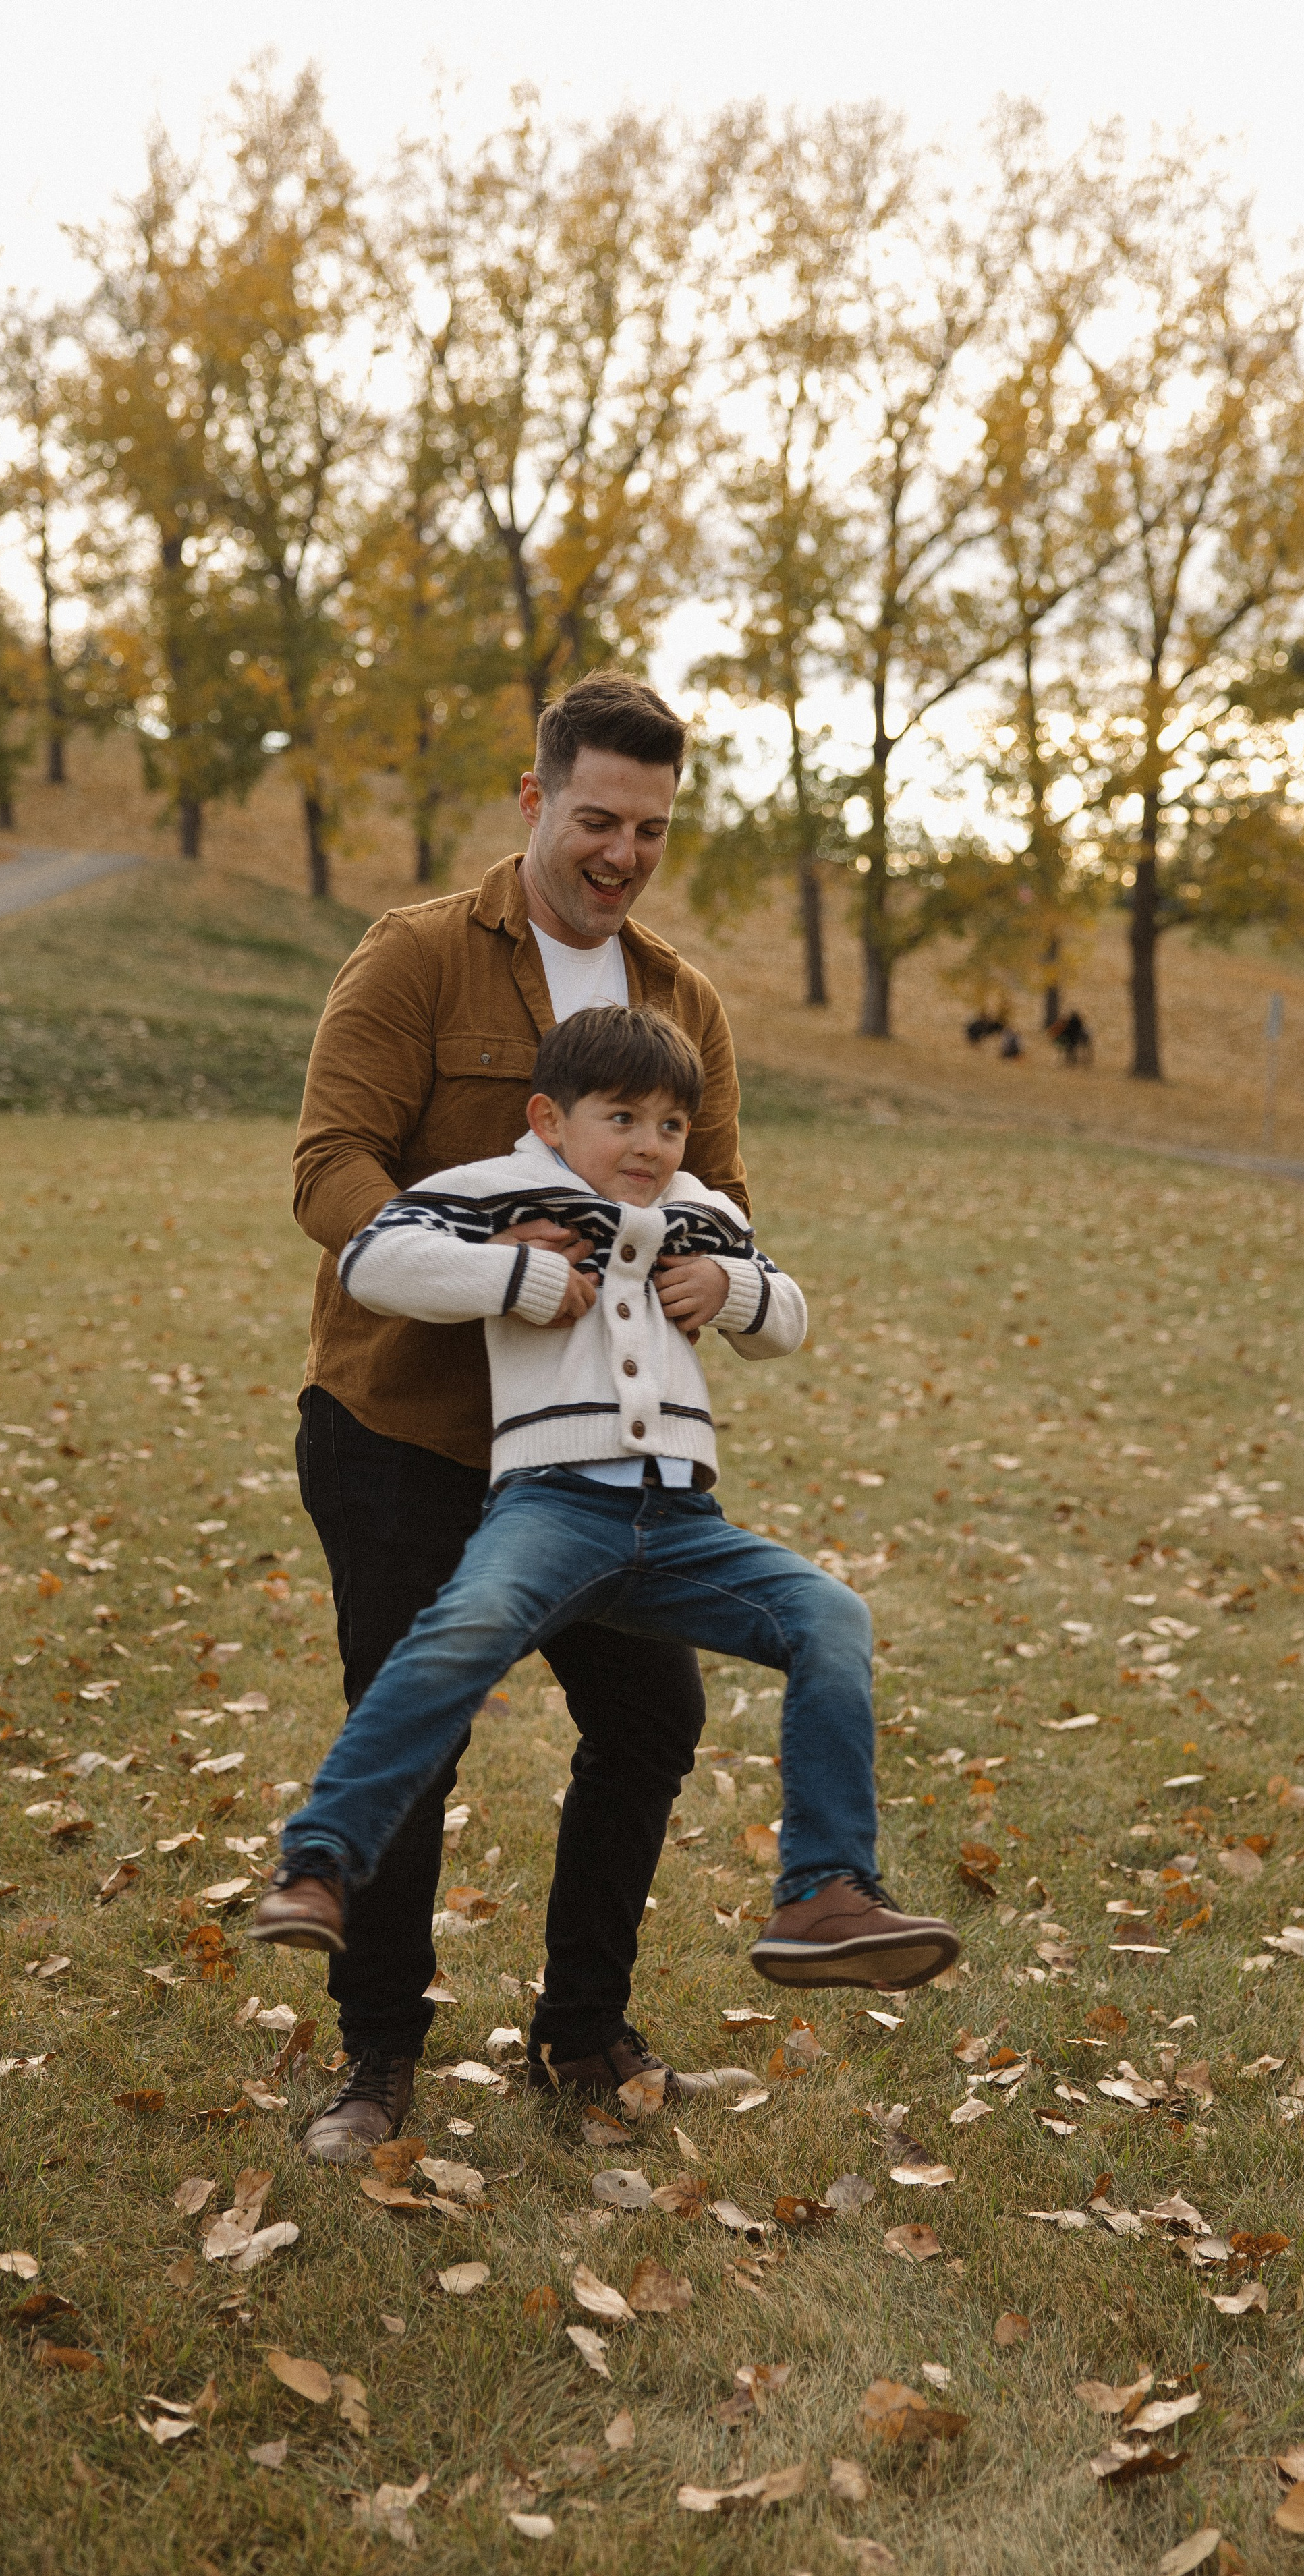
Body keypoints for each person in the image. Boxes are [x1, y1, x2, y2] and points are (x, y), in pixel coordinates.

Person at [254, 1006, 961, 2034]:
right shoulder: (496, 1189)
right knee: (456, 1638)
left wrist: (732, 1287)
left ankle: (823, 1892)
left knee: (831, 1618)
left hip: (681, 1522)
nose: (647, 1146)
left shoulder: (702, 1208)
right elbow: (373, 1260)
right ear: (550, 1117)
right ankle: (321, 1861)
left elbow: (785, 1319)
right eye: (621, 1118)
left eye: (670, 1126)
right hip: (554, 1509)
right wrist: (516, 1273)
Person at [271, 670, 752, 2165]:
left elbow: (727, 1206)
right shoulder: (415, 958)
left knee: (650, 1713)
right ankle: (376, 2057)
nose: (620, 854)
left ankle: (581, 2027)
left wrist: (712, 1272)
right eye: (597, 819)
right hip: (403, 1435)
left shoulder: (681, 1000)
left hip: (598, 1456)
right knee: (410, 1735)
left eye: (651, 830)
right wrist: (481, 1272)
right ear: (533, 801)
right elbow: (329, 1164)